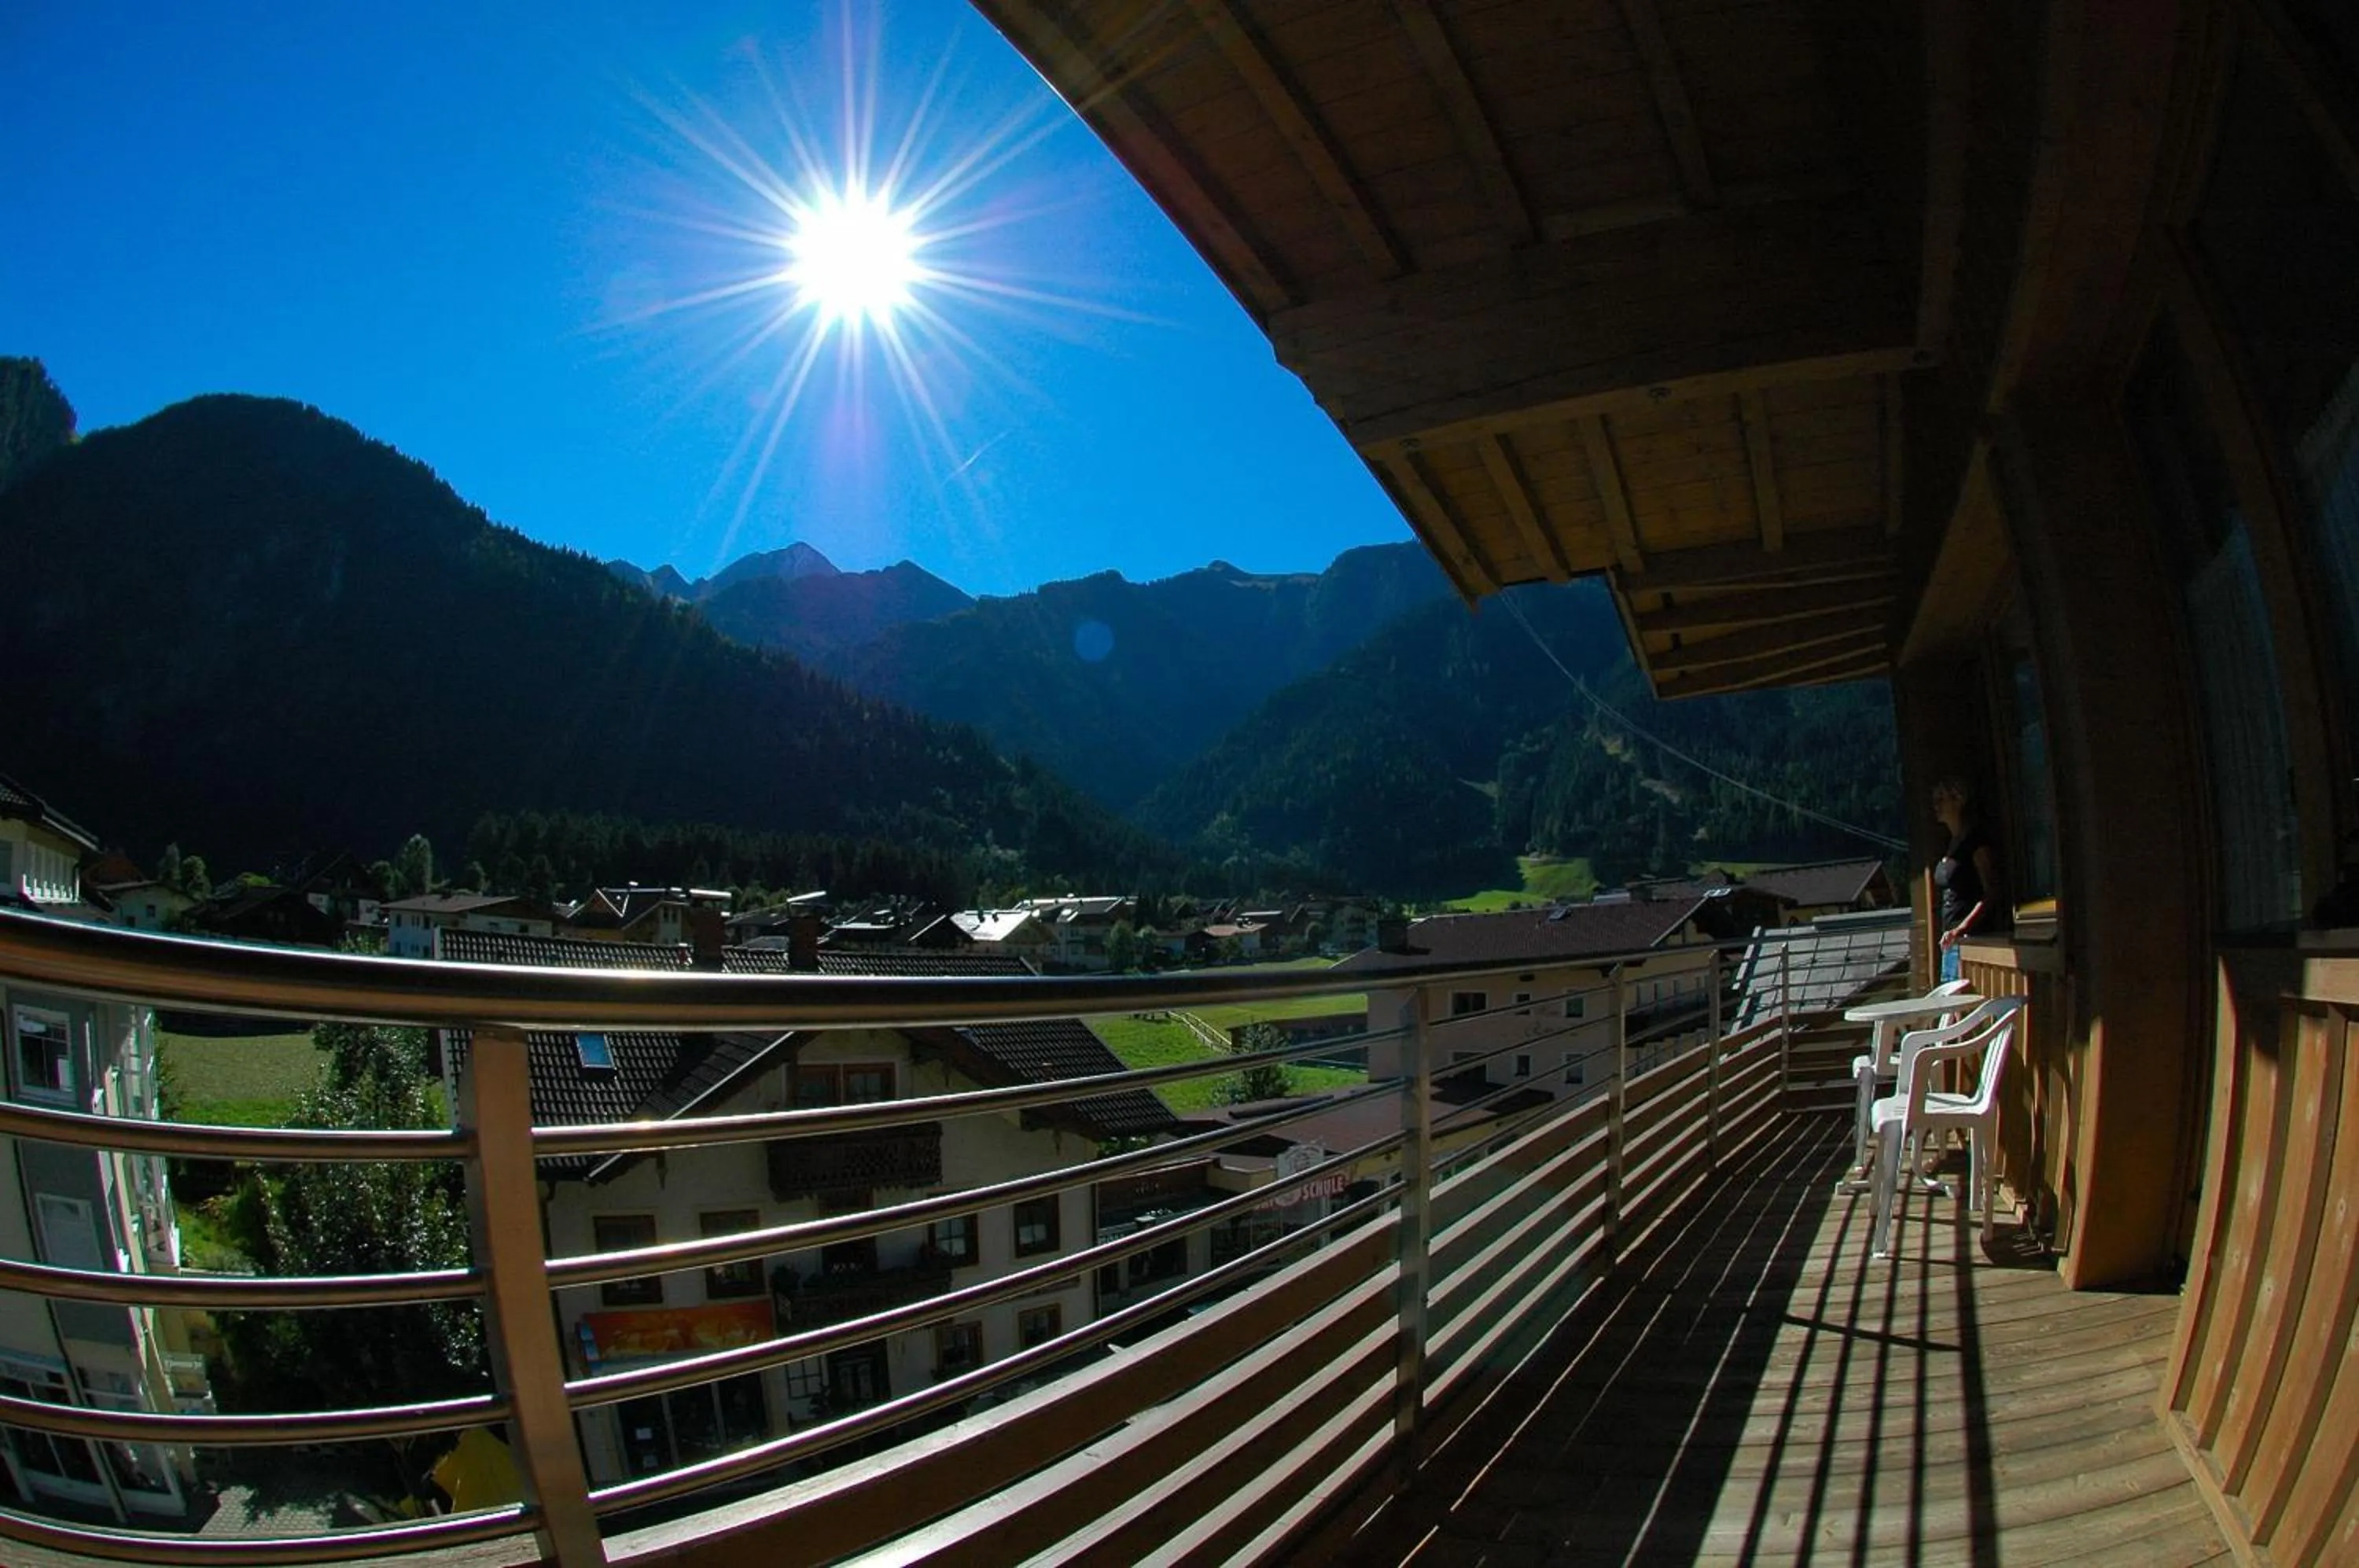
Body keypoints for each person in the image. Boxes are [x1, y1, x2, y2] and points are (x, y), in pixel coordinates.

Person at [1931, 777, 2002, 982]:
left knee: (1957, 1003)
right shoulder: (1952, 844)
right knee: (1950, 1007)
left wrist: (1962, 928)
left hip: (1969, 940)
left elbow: (1992, 891)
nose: (1936, 806)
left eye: (1941, 799)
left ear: (1958, 800)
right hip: (1951, 941)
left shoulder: (1976, 843)